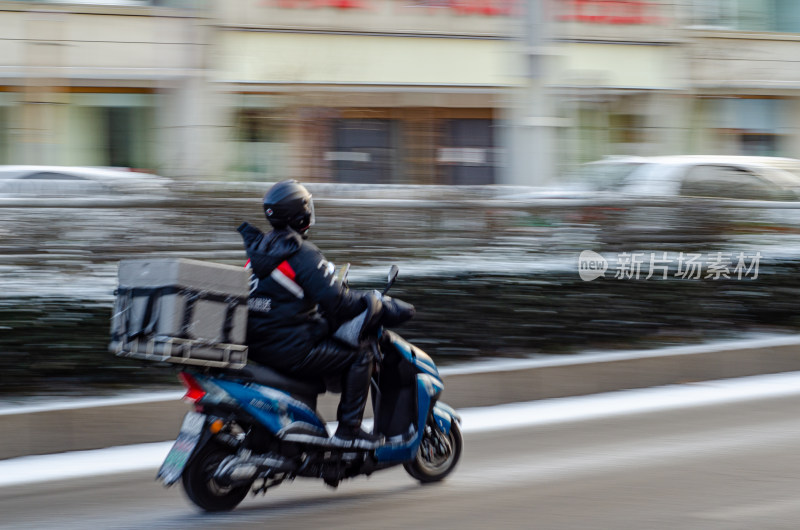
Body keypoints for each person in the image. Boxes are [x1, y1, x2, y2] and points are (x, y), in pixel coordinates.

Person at [237, 180, 412, 449]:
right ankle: (349, 430)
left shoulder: (260, 251)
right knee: (361, 353)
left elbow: (282, 298)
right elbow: (338, 304)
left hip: (260, 347)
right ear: (301, 214)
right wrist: (376, 304)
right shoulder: (301, 253)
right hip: (290, 347)